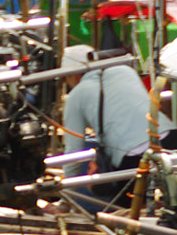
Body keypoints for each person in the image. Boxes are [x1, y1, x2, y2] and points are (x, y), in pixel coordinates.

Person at [59, 45, 170, 176]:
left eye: (65, 78)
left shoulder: (75, 95)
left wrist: (66, 189)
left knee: (122, 194)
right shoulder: (126, 71)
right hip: (168, 137)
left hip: (132, 156)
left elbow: (74, 151)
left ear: (74, 75)